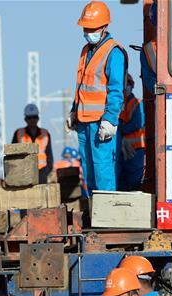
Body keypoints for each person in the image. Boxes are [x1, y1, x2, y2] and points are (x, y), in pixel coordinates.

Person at [70, 2, 127, 195]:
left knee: (104, 170)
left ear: (104, 27)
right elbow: (81, 85)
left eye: (92, 28)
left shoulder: (114, 52)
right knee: (89, 171)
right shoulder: (85, 51)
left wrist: (110, 119)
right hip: (84, 122)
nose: (88, 31)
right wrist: (73, 110)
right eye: (86, 28)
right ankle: (95, 215)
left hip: (101, 123)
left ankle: (108, 218)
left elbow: (116, 90)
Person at [11, 103, 53, 184]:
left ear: (38, 118)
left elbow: (49, 155)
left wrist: (47, 170)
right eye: (30, 118)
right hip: (23, 172)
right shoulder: (18, 133)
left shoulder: (45, 133)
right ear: (25, 119)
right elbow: (12, 154)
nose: (32, 120)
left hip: (42, 171)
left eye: (35, 117)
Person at [117, 76, 145, 192]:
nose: (126, 87)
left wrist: (120, 130)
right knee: (121, 180)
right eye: (124, 84)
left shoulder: (136, 104)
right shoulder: (116, 105)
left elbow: (136, 124)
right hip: (121, 149)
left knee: (134, 181)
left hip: (135, 150)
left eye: (128, 84)